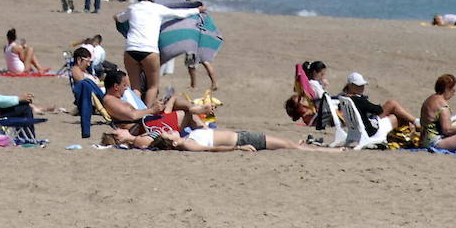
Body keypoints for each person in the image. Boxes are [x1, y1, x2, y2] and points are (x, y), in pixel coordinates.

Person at [122, 0, 205, 108]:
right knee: (153, 86)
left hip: (131, 50)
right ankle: (147, 115)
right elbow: (180, 14)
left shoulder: (132, 8)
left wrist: (116, 18)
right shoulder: (157, 8)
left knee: (136, 87)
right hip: (149, 51)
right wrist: (197, 10)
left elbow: (119, 18)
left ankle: (136, 112)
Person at [101, 68, 211, 134]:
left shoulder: (116, 99)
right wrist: (152, 110)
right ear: (116, 86)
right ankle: (206, 132)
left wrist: (154, 108)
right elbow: (132, 116)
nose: (126, 88)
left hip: (146, 122)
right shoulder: (110, 101)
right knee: (185, 114)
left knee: (174, 98)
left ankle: (195, 110)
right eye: (124, 85)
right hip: (142, 129)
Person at [102, 124, 317, 153]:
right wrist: (238, 149)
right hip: (242, 140)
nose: (168, 131)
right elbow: (209, 150)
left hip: (241, 136)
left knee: (289, 144)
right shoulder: (187, 143)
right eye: (116, 133)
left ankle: (301, 146)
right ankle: (337, 151)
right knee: (290, 146)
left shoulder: (185, 138)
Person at [340, 71, 417, 133]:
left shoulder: (344, 98)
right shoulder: (358, 99)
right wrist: (380, 107)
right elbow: (377, 110)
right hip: (369, 129)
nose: (362, 87)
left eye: (362, 85)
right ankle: (417, 124)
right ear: (351, 85)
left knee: (395, 111)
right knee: (392, 106)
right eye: (359, 85)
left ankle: (415, 124)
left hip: (359, 127)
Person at [180, 0, 218, 90]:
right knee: (205, 61)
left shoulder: (187, 6)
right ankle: (214, 82)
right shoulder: (201, 4)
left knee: (190, 63)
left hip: (192, 38)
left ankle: (194, 85)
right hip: (202, 35)